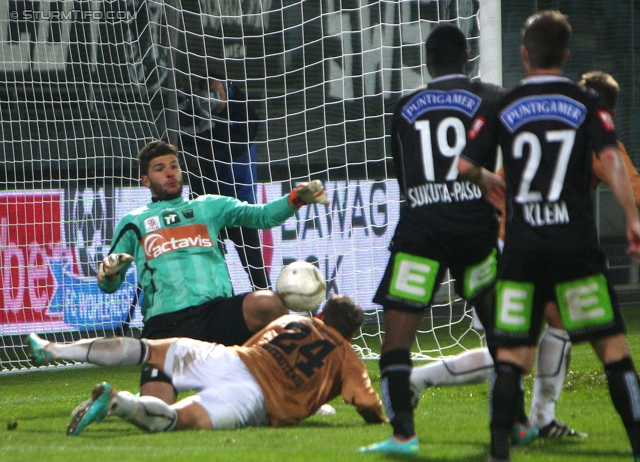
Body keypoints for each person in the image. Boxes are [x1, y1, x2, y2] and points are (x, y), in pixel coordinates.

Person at [410, 70, 640, 441]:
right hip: (519, 245)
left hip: (509, 240)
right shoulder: (588, 128)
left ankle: (538, 418)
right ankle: (422, 380)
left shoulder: (535, 123)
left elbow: (485, 172)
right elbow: (630, 184)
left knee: (536, 337)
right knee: (517, 348)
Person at [458, 10, 640, 462]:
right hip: (575, 246)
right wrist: (632, 217)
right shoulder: (586, 102)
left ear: (523, 55)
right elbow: (611, 159)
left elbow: (463, 166)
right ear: (565, 53)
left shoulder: (503, 101)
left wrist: (488, 181)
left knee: (512, 357)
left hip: (522, 250)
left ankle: (499, 451)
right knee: (613, 351)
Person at [73, 140, 328, 406]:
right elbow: (108, 283)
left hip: (216, 314)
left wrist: (296, 198)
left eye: (174, 166)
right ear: (145, 181)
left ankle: (295, 391)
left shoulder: (208, 207)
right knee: (155, 408)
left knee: (267, 303)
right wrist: (111, 274)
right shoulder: (133, 222)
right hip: (166, 324)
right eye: (160, 169)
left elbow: (262, 216)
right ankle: (120, 402)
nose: (170, 172)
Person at [357, 24, 506, 455]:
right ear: (467, 58)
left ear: (427, 62)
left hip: (421, 232)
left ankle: (403, 434)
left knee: (397, 338)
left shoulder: (405, 106)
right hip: (475, 230)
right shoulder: (490, 97)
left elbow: (403, 177)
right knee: (500, 335)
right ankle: (510, 425)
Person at [26, 295, 386, 435]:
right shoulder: (348, 358)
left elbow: (254, 343)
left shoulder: (293, 322)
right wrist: (382, 421)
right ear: (351, 335)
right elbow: (367, 403)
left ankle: (54, 348)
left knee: (146, 348)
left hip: (232, 359)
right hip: (252, 398)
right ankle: (121, 403)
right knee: (178, 419)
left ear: (320, 314)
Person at [179, 75, 271, 290]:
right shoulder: (195, 117)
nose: (212, 100)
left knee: (256, 271)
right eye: (207, 95)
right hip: (206, 207)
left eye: (216, 94)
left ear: (228, 90)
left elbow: (237, 145)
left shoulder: (244, 114)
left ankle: (270, 313)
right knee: (213, 274)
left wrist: (208, 128)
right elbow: (183, 144)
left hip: (240, 205)